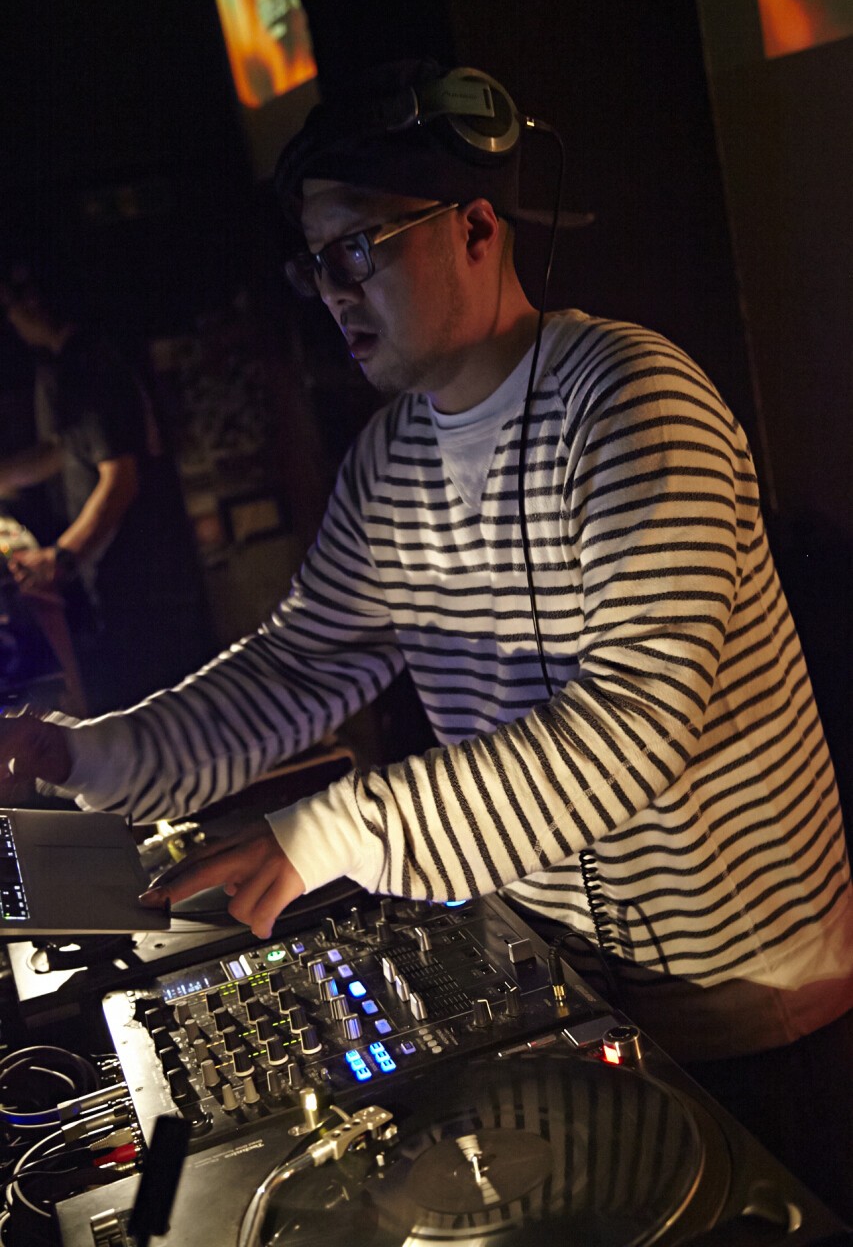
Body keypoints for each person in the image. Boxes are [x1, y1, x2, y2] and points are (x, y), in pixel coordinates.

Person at [0, 61, 851, 1216]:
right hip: (566, 989)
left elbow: (636, 724)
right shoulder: (388, 462)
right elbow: (296, 668)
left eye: (359, 249)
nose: (333, 292)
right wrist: (87, 752)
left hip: (753, 1005)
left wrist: (332, 829)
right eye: (316, 263)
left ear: (476, 228)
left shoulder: (634, 401)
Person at [0, 258, 214, 713]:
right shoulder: (70, 363)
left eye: (11, 306)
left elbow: (121, 480)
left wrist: (58, 557)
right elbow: (62, 451)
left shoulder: (89, 365)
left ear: (34, 302)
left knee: (160, 711)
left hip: (142, 579)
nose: (10, 320)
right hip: (122, 576)